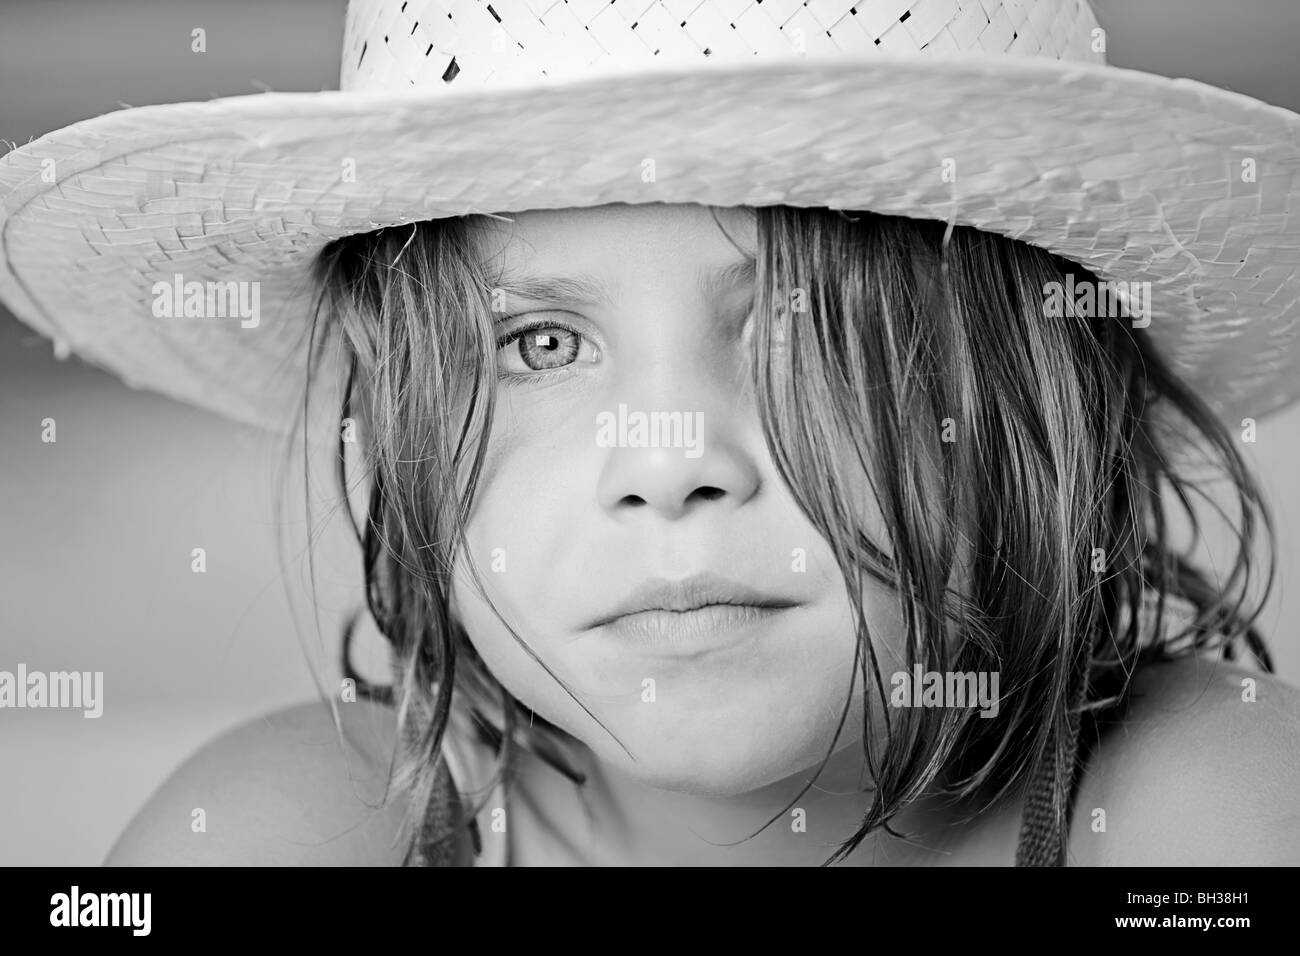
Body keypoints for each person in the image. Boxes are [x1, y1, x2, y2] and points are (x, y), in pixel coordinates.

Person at [1, 0, 1297, 865]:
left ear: (1042, 396)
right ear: (396, 433)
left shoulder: (1199, 812)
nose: (671, 463)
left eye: (803, 330)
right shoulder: (293, 836)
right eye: (540, 346)